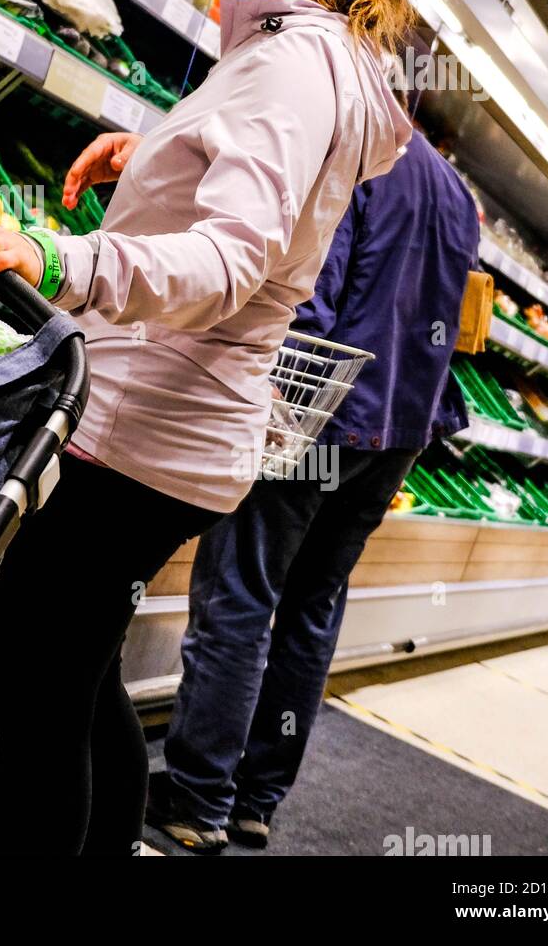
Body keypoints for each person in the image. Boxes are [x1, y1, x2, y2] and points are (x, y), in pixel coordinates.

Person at [0, 0, 416, 856]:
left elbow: (230, 262)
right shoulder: (301, 55)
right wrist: (151, 152)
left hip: (152, 427)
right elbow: (249, 188)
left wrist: (54, 259)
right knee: (83, 675)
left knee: (40, 704)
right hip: (171, 428)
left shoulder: (289, 67)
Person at [148, 120, 480, 853]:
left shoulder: (359, 155)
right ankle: (256, 799)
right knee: (312, 608)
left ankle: (198, 798)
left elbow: (314, 303)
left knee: (239, 595)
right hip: (398, 430)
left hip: (319, 415)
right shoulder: (457, 193)